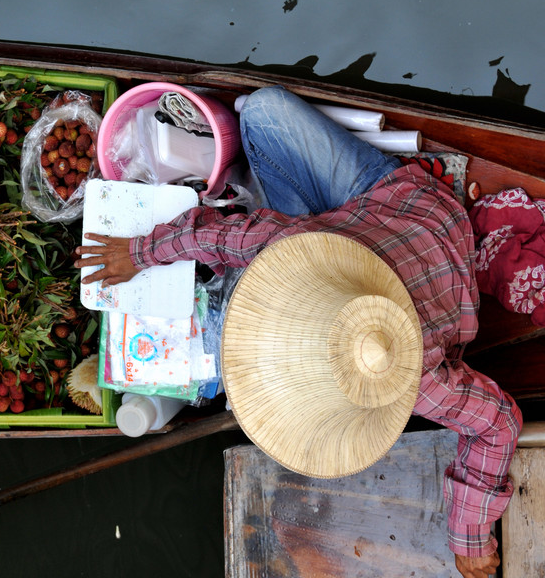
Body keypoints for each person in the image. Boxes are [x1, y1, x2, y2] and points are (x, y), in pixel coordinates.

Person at [74, 86, 523, 578]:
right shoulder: (302, 246)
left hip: (408, 227)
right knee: (262, 111)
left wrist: (471, 536)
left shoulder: (416, 376)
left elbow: (499, 423)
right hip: (389, 210)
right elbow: (226, 235)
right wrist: (139, 252)